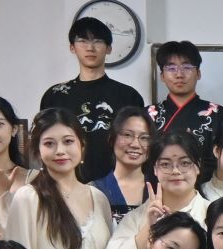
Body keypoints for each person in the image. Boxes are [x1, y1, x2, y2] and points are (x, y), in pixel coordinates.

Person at [4, 109, 114, 249]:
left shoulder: (98, 197)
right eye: (49, 144)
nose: (60, 151)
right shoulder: (28, 198)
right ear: (38, 150)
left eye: (68, 141)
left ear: (82, 145)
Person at [38, 16, 147, 183]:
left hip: (116, 184)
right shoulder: (55, 95)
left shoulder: (128, 95)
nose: (90, 47)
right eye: (82, 41)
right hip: (64, 183)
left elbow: (138, 145)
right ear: (72, 47)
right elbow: (45, 143)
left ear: (108, 48)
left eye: (98, 41)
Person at [104, 129, 206, 249]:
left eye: (184, 163)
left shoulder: (213, 215)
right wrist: (149, 226)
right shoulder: (136, 217)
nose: (175, 171)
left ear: (198, 166)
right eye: (165, 164)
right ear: (155, 170)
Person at [146, 39, 223, 154]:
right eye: (171, 68)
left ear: (198, 73)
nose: (179, 74)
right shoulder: (149, 114)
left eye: (187, 67)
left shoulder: (217, 113)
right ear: (162, 76)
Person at [94, 106, 155, 224]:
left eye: (144, 138)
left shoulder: (160, 189)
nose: (135, 144)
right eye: (127, 135)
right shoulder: (95, 191)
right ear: (111, 139)